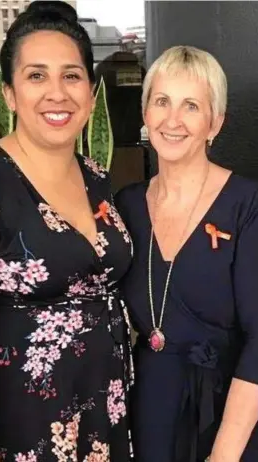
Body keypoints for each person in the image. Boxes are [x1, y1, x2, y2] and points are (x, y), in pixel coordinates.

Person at [0, 2, 134, 461]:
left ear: (91, 93)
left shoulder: (97, 179)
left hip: (94, 417)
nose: (57, 93)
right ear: (9, 93)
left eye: (71, 76)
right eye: (36, 76)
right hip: (7, 433)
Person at [115, 45, 258, 462]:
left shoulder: (246, 205)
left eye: (191, 106)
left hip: (229, 415)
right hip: (147, 411)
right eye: (162, 101)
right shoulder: (126, 206)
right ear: (146, 113)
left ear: (215, 123)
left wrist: (225, 454)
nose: (172, 120)